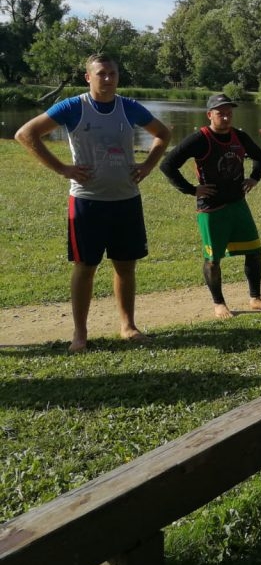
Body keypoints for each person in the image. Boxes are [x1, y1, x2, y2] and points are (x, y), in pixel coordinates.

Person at [14, 53, 170, 352]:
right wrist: (62, 168)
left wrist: (148, 165)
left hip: (126, 199)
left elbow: (162, 134)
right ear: (88, 77)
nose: (108, 79)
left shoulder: (128, 107)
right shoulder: (74, 107)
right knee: (85, 267)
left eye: (112, 73)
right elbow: (26, 134)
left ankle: (128, 326)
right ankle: (80, 334)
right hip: (87, 201)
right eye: (101, 73)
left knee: (125, 266)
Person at [160, 93, 261, 320]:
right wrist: (191, 189)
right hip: (211, 208)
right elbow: (168, 165)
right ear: (209, 115)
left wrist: (254, 178)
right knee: (213, 259)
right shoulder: (200, 139)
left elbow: (259, 156)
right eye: (220, 113)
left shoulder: (239, 136)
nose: (226, 117)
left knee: (254, 252)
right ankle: (219, 304)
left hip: (238, 204)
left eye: (229, 113)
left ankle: (255, 298)